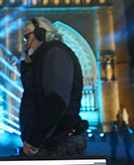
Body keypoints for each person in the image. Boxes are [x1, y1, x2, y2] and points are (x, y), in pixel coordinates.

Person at [19, 17, 87, 157]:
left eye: (27, 37)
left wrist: (34, 139)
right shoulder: (43, 57)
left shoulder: (56, 53)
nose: (25, 42)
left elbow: (57, 100)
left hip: (58, 143)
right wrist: (28, 66)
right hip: (48, 141)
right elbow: (32, 94)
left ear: (40, 34)